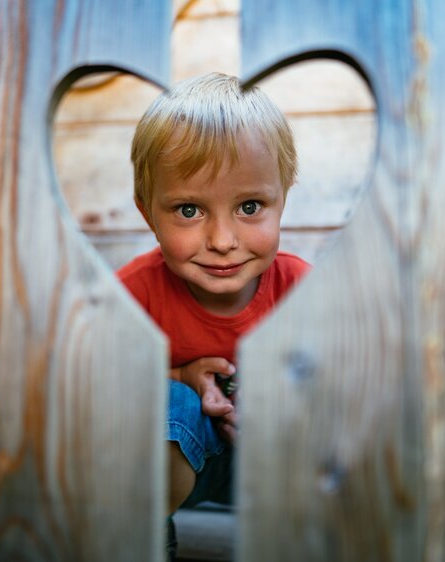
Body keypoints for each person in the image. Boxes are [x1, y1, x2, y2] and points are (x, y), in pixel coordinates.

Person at [116, 72, 310, 558]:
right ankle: (141, 539)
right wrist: (180, 374)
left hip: (285, 471)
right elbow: (87, 389)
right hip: (173, 470)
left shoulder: (307, 293)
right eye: (188, 210)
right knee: (166, 403)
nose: (222, 240)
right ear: (148, 214)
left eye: (249, 206)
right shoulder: (127, 296)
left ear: (282, 200)